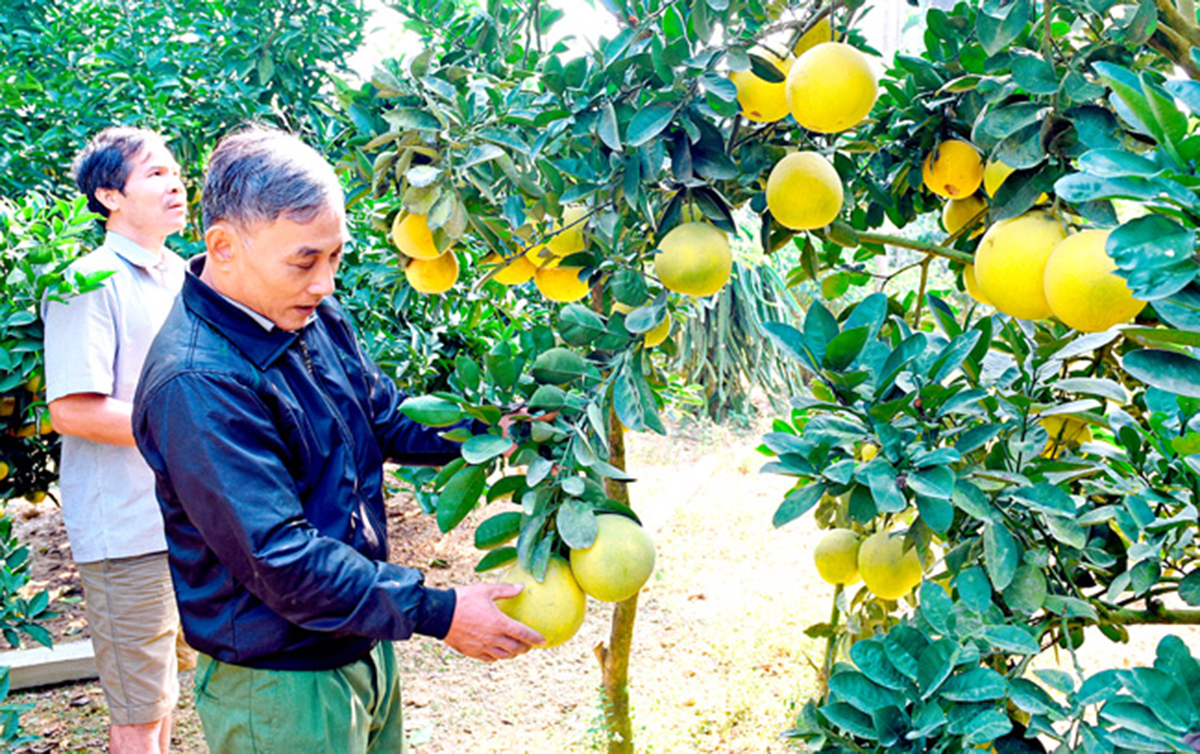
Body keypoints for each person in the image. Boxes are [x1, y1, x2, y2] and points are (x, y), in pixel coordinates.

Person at [131, 127, 543, 753]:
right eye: (305, 260)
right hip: (280, 683)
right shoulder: (198, 381)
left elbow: (381, 415)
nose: (325, 282)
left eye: (335, 257)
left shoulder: (307, 311)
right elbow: (280, 555)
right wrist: (440, 610)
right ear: (224, 245)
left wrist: (495, 429)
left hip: (360, 642)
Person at [42, 126, 189, 753]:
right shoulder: (88, 281)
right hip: (126, 530)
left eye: (176, 169)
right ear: (109, 195)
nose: (176, 181)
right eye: (154, 173)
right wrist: (189, 430)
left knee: (167, 693)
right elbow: (73, 410)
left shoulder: (185, 276)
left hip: (187, 519)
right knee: (137, 708)